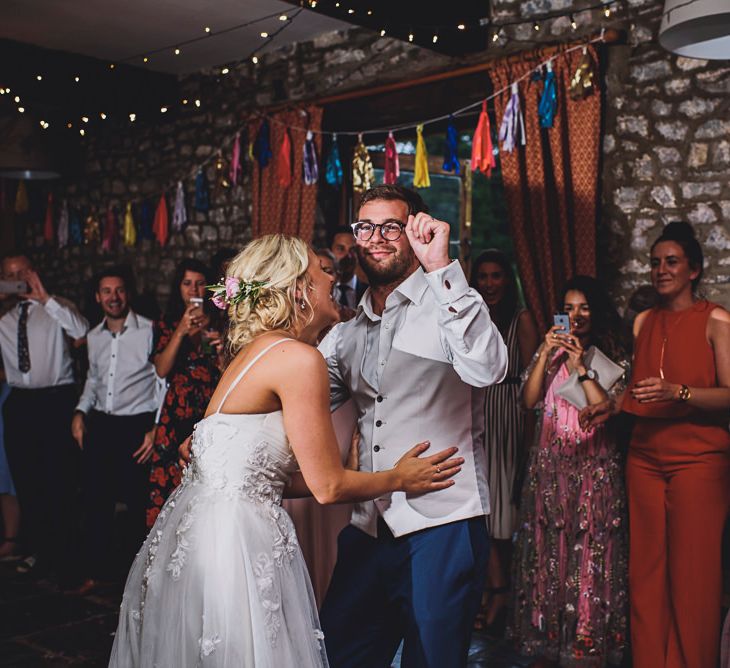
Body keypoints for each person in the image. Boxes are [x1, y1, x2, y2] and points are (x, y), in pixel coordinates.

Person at [109, 234, 462, 667]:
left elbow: (241, 469)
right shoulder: (298, 359)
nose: (333, 277)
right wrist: (399, 479)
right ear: (299, 289)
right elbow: (328, 487)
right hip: (238, 545)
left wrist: (353, 470)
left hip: (207, 534)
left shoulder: (251, 355)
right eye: (322, 270)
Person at [318, 184, 509, 667]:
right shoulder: (346, 332)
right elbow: (301, 398)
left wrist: (443, 269)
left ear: (415, 230)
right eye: (365, 227)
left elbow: (489, 369)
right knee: (342, 655)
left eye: (390, 226)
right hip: (367, 528)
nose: (376, 238)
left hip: (441, 524)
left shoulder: (450, 305)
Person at [582, 221, 730, 668]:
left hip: (699, 460)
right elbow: (640, 391)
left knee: (693, 577)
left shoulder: (717, 320)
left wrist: (679, 392)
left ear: (694, 270)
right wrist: (612, 405)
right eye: (655, 263)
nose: (660, 270)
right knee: (645, 574)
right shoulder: (645, 320)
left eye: (671, 262)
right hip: (644, 458)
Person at [510, 276, 628, 666]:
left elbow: (605, 410)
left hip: (592, 471)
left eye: (584, 307)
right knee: (549, 555)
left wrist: (581, 366)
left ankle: (586, 641)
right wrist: (545, 352)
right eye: (569, 307)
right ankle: (548, 637)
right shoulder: (553, 353)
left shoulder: (609, 354)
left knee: (589, 554)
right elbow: (527, 400)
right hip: (551, 470)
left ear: (596, 311)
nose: (575, 315)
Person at [70, 268, 163, 594]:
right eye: (106, 291)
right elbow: (94, 381)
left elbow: (162, 382)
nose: (113, 297)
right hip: (102, 425)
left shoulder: (150, 331)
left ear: (128, 294)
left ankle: (139, 582)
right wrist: (80, 412)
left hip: (137, 425)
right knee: (96, 501)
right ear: (98, 297)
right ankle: (97, 572)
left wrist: (156, 427)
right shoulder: (94, 336)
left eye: (119, 290)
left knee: (138, 505)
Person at [0, 254, 88, 578]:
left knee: (59, 479)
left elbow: (82, 331)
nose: (18, 278)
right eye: (10, 275)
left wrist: (45, 298)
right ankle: (40, 550)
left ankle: (65, 555)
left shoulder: (57, 306)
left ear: (34, 271)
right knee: (28, 480)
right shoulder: (3, 317)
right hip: (19, 403)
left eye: (22, 272)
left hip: (55, 401)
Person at [469, 249, 539, 632]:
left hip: (511, 415)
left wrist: (528, 442)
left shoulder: (521, 319)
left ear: (507, 281)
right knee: (486, 510)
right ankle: (494, 591)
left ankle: (503, 595)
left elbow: (533, 381)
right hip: (479, 413)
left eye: (497, 276)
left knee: (504, 513)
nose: (490, 283)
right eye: (483, 276)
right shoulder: (474, 318)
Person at [146, 259, 222, 527]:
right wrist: (180, 331)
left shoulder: (221, 323)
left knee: (205, 490)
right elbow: (162, 370)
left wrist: (219, 346)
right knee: (167, 491)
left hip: (210, 413)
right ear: (178, 287)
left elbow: (225, 371)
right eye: (187, 283)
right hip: (174, 417)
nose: (193, 290)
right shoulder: (166, 324)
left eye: (200, 283)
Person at [329, 225, 367, 310]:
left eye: (353, 250)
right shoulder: (321, 291)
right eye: (340, 249)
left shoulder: (370, 293)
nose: (348, 256)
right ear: (330, 251)